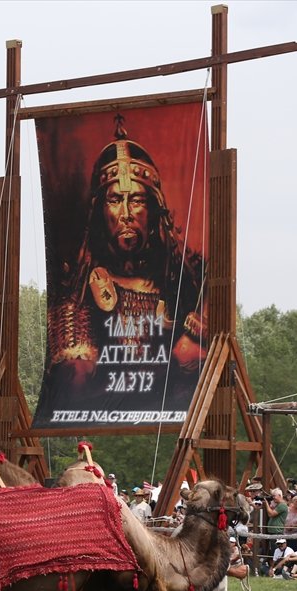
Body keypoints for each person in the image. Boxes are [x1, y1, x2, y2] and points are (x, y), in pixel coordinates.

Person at [41, 114, 206, 403]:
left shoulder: (185, 281)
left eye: (138, 200)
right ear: (100, 211)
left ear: (154, 211)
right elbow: (74, 380)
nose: (126, 213)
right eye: (115, 200)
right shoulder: (79, 292)